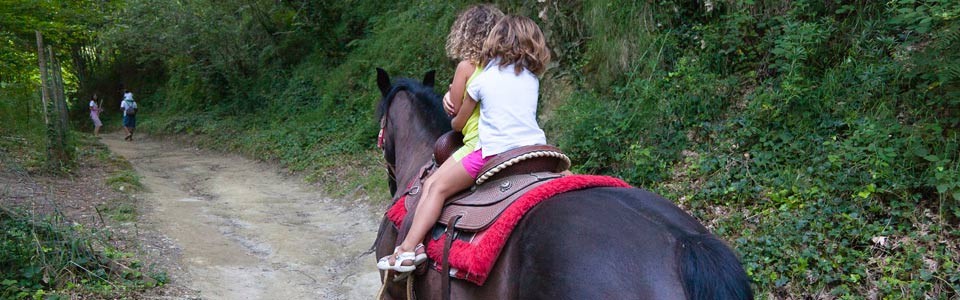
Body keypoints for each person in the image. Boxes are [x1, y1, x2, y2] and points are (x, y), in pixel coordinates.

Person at [377, 14, 551, 273]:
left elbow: (457, 124)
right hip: (534, 148)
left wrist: (454, 106)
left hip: (491, 151)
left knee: (435, 186)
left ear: (493, 41)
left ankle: (407, 249)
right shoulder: (532, 78)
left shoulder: (480, 79)